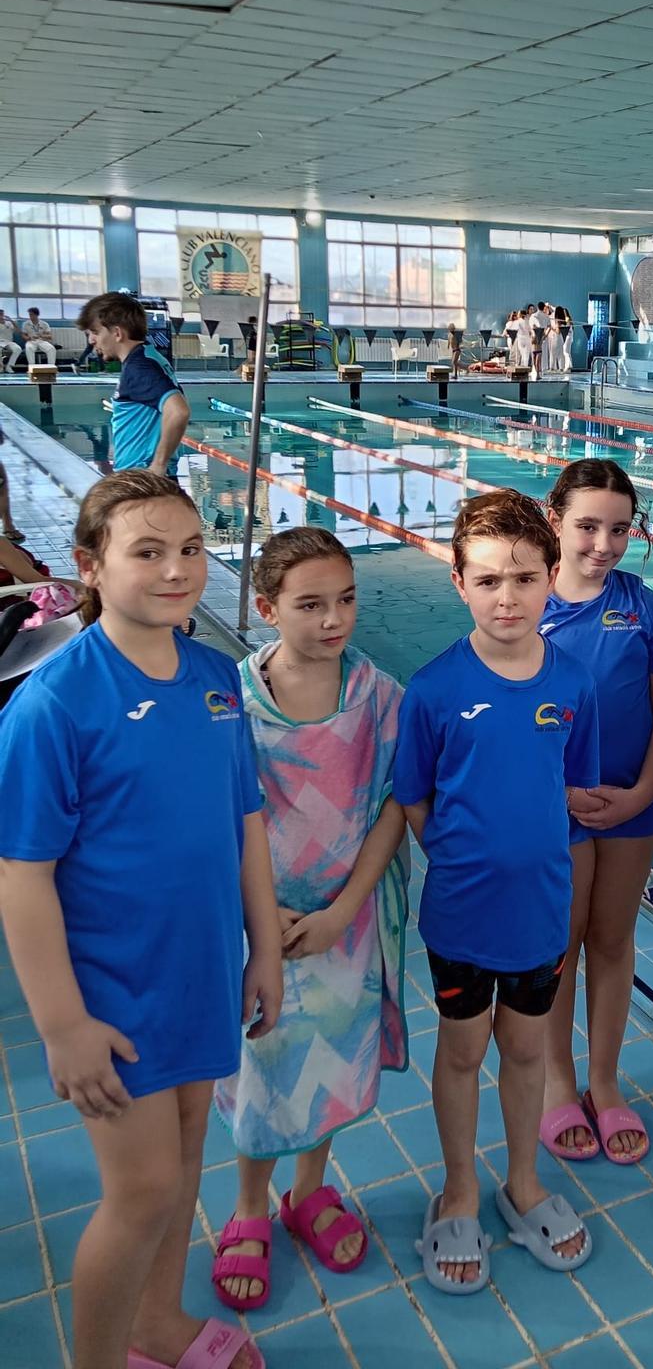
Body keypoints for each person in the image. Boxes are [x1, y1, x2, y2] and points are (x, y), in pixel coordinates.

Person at [0, 470, 281, 1369]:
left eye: (191, 550)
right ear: (89, 566)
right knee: (143, 1189)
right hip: (111, 988)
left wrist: (265, 948)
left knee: (189, 1151)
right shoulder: (55, 703)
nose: (176, 571)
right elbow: (23, 877)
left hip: (198, 966)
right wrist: (63, 1026)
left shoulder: (213, 681)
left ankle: (158, 1324)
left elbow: (244, 824)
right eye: (148, 552)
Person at [392, 490, 599, 1293]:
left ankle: (521, 1181)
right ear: (458, 583)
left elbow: (572, 787)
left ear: (552, 577)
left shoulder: (573, 681)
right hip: (463, 916)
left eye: (522, 577)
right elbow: (414, 797)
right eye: (486, 581)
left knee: (525, 1050)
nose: (506, 597)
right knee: (463, 1049)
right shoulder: (435, 690)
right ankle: (458, 1188)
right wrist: (452, 851)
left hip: (541, 911)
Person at [211, 529, 408, 1312]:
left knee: (329, 1059)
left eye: (347, 600)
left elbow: (396, 805)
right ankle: (252, 1207)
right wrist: (260, 916)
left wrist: (344, 911)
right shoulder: (232, 700)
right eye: (311, 605)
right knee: (262, 1066)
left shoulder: (378, 695)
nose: (334, 620)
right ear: (265, 609)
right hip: (260, 924)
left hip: (345, 925)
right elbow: (218, 815)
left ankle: (309, 1191)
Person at [538, 462, 653, 1164]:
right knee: (561, 947)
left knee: (614, 942)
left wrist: (645, 793)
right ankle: (558, 1080)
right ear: (554, 518)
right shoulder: (524, 605)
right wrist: (558, 793)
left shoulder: (646, 608)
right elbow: (504, 722)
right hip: (550, 808)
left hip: (630, 803)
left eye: (619, 529)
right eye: (589, 525)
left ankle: (603, 1080)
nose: (604, 544)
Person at [78, 293, 190, 475]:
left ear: (117, 333)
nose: (91, 340)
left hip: (142, 478)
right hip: (141, 476)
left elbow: (179, 411)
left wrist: (159, 464)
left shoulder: (139, 367)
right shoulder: (147, 356)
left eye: (95, 332)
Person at [0, 307, 20, 372]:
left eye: (2, 314)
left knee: (18, 349)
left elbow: (18, 331)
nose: (1, 316)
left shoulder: (9, 323)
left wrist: (11, 321)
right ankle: (1, 367)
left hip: (9, 342)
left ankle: (9, 366)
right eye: (0, 314)